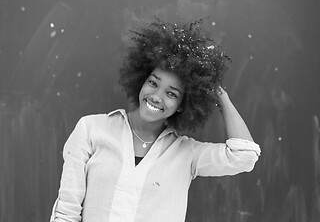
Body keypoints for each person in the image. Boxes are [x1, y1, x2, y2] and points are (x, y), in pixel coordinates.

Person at [50, 18, 261, 222]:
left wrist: (220, 97)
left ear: (183, 105)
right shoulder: (91, 129)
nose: (156, 96)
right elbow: (66, 213)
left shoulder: (186, 153)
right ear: (142, 80)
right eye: (153, 83)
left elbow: (244, 156)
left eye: (171, 94)